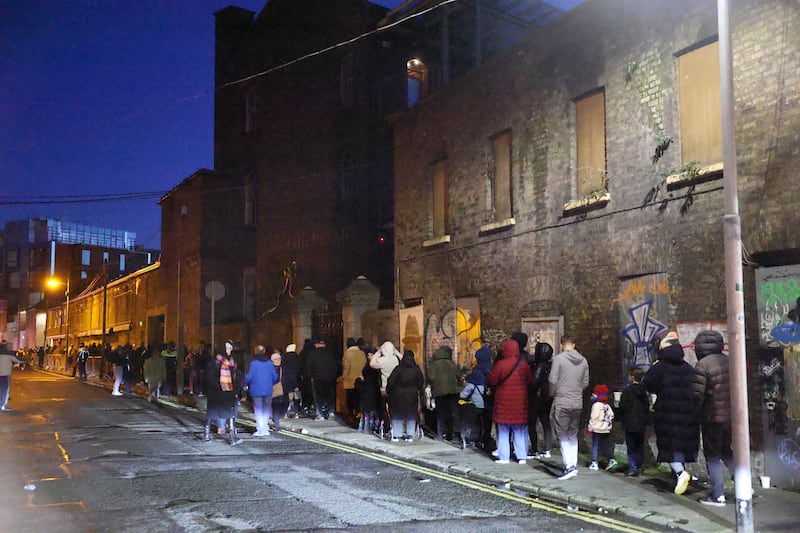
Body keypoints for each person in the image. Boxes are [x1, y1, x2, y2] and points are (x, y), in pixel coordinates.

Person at [643, 332, 700, 495]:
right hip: (687, 413)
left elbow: (647, 385)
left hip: (667, 413)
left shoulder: (659, 367)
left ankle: (681, 473)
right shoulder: (688, 368)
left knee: (670, 446)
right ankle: (681, 474)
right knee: (681, 444)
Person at [691, 330, 732, 506]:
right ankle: (743, 485)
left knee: (712, 455)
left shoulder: (702, 365)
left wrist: (694, 414)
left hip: (711, 417)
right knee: (727, 451)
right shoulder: (730, 361)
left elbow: (697, 395)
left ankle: (718, 494)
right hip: (730, 417)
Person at [548, 335, 589, 480]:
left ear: (561, 345)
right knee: (573, 433)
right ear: (574, 344)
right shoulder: (583, 361)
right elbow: (585, 383)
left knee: (562, 434)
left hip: (562, 401)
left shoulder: (558, 360)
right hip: (577, 402)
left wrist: (553, 393)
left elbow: (552, 380)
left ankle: (569, 466)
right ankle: (574, 464)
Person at [487, 339, 533, 464]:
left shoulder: (500, 364)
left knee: (503, 431)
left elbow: (492, 380)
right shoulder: (523, 364)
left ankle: (504, 457)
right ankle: (521, 456)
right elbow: (529, 379)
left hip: (503, 402)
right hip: (520, 402)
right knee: (518, 430)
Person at [204, 341, 243, 445]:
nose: (229, 351)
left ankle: (232, 436)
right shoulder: (216, 361)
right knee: (212, 413)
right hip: (216, 391)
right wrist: (217, 386)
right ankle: (206, 434)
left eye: (230, 348)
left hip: (229, 391)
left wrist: (237, 389)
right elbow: (209, 376)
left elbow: (236, 376)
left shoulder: (232, 361)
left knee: (231, 413)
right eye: (227, 348)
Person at [616, 367, 649, 476]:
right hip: (641, 422)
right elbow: (646, 407)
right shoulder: (644, 392)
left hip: (629, 421)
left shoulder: (627, 391)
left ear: (632, 377)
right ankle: (639, 466)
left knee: (631, 446)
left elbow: (623, 406)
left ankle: (632, 466)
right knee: (639, 445)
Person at [459, 342, 493, 447]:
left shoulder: (476, 371)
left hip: (477, 403)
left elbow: (470, 387)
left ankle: (476, 439)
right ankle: (487, 440)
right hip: (490, 402)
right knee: (488, 423)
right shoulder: (493, 369)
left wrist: (462, 396)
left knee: (476, 422)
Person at [386, 349, 424, 442]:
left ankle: (396, 435)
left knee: (397, 415)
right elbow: (421, 382)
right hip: (412, 396)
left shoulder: (398, 369)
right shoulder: (416, 369)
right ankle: (410, 435)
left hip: (398, 396)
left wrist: (389, 391)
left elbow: (390, 382)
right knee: (411, 415)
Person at [426, 345, 461, 441]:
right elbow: (459, 375)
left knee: (440, 414)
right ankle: (450, 434)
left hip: (439, 392)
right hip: (452, 391)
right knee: (450, 413)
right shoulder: (451, 363)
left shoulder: (435, 364)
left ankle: (440, 434)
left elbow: (431, 377)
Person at [527, 341, 554, 459]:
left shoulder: (538, 366)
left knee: (532, 424)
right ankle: (547, 449)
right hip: (547, 398)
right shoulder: (551, 365)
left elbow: (534, 382)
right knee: (546, 423)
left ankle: (534, 449)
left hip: (536, 398)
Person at [244, 345, 279, 437]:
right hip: (268, 389)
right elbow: (275, 377)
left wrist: (244, 384)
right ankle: (265, 428)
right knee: (266, 409)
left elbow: (249, 376)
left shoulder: (254, 363)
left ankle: (260, 429)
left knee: (258, 409)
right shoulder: (270, 363)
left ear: (255, 352)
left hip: (256, 389)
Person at [587, 384, 617, 471]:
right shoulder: (606, 405)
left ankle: (594, 462)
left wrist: (590, 428)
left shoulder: (596, 405)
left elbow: (593, 418)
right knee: (604, 446)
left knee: (595, 445)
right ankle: (611, 459)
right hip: (606, 429)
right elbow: (611, 415)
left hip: (597, 428)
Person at [306, 339, 338, 420]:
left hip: (317, 378)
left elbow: (309, 367)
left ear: (316, 345)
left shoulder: (312, 354)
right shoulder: (330, 354)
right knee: (329, 396)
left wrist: (311, 376)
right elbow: (334, 366)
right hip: (329, 378)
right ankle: (331, 412)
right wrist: (333, 376)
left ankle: (320, 414)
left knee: (318, 397)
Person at [341, 337, 366, 426]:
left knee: (350, 401)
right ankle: (358, 416)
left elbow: (346, 368)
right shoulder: (362, 353)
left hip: (350, 381)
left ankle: (351, 416)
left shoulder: (347, 354)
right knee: (358, 400)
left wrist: (343, 377)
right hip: (361, 380)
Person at [358, 352, 382, 433]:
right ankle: (374, 426)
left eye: (371, 355)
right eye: (368, 355)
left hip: (368, 391)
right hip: (375, 390)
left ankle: (366, 427)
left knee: (368, 411)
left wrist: (359, 381)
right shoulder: (376, 368)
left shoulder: (368, 367)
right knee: (373, 410)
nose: (369, 357)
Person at [0, 342, 25, 411]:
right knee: (4, 391)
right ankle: (2, 405)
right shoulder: (8, 355)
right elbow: (19, 360)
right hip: (5, 375)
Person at [270, 350, 290, 430]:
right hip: (273, 390)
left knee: (286, 404)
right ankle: (277, 423)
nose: (278, 360)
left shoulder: (284, 368)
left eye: (279, 359)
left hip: (284, 389)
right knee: (276, 406)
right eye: (276, 359)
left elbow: (289, 378)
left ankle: (278, 417)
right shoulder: (269, 369)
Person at [282, 343, 302, 417]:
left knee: (287, 396)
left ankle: (286, 412)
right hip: (296, 379)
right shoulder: (298, 358)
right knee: (296, 396)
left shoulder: (284, 358)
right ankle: (296, 412)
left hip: (286, 380)